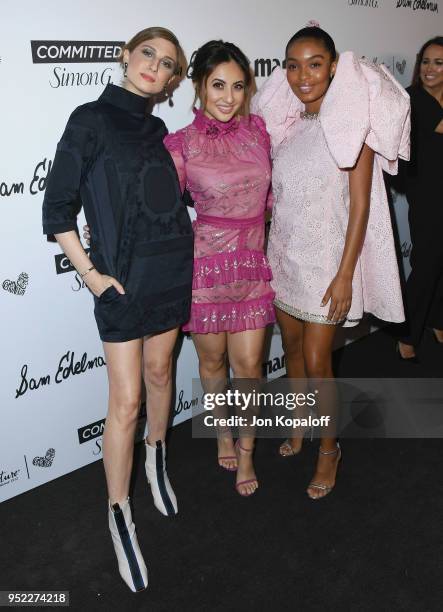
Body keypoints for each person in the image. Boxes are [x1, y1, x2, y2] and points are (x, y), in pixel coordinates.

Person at [42, 27, 194, 592]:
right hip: (122, 286)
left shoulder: (159, 130)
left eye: (168, 63)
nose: (155, 66)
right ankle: (118, 510)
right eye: (148, 53)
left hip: (171, 270)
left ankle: (157, 457)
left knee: (161, 375)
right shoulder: (89, 119)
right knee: (125, 400)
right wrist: (91, 275)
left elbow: (161, 203)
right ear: (125, 56)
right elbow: (57, 209)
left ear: (175, 80)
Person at [252, 26, 408, 498]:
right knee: (293, 353)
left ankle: (329, 449)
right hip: (285, 258)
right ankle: (301, 425)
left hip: (327, 266)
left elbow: (361, 207)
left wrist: (345, 276)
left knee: (319, 360)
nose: (304, 75)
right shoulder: (287, 126)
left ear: (334, 66)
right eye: (294, 65)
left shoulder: (352, 125)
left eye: (315, 63)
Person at [164, 40, 275, 496]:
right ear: (198, 86)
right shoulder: (181, 143)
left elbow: (272, 198)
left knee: (249, 365)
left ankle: (246, 450)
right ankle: (221, 434)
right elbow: (158, 204)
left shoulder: (260, 131)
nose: (228, 96)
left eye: (237, 86)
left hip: (251, 264)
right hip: (206, 266)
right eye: (217, 85)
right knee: (211, 361)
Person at [397, 37, 443, 361]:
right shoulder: (413, 99)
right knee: (427, 263)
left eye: (438, 62)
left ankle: (437, 319)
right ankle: (406, 333)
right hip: (426, 192)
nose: (429, 69)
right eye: (425, 61)